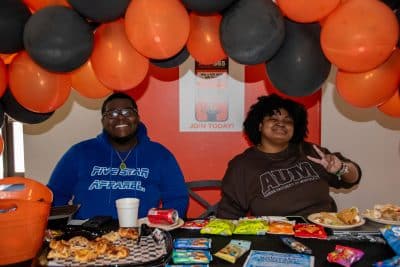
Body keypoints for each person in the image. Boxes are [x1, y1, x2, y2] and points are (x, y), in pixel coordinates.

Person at [217, 94, 361, 219]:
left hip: (323, 231)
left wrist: (341, 168)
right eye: (273, 118)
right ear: (260, 125)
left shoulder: (311, 151)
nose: (281, 123)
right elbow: (229, 215)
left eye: (288, 120)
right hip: (275, 237)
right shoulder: (242, 165)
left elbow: (354, 178)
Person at [48, 93, 189, 220]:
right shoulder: (79, 152)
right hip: (87, 239)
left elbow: (177, 199)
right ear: (103, 121)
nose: (121, 117)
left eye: (127, 112)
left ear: (137, 118)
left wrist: (161, 228)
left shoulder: (160, 155)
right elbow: (55, 196)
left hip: (141, 237)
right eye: (112, 113)